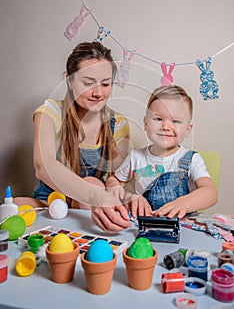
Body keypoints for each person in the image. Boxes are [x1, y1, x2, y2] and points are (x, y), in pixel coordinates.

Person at [15, 41, 135, 232]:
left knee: (94, 184)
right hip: (54, 200)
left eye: (105, 84)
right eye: (88, 83)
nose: (98, 93)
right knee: (15, 206)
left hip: (90, 209)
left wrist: (124, 196)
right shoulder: (50, 111)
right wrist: (94, 196)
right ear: (69, 80)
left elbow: (115, 180)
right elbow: (43, 167)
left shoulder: (118, 124)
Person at [106, 85, 218, 219]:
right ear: (146, 123)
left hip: (182, 224)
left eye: (175, 121)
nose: (165, 127)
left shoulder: (191, 159)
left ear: (188, 129)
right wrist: (120, 191)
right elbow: (114, 180)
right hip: (145, 220)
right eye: (158, 119)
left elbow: (210, 193)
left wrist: (182, 204)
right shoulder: (136, 157)